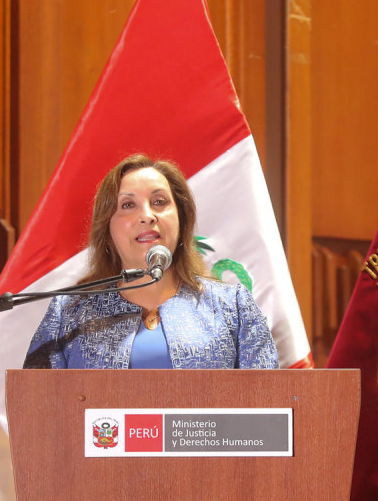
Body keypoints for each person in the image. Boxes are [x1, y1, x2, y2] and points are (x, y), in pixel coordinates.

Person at [23, 154, 279, 370]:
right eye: (127, 205)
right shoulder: (70, 311)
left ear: (182, 220)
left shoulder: (232, 307)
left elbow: (269, 408)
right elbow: (37, 411)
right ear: (108, 232)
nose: (146, 215)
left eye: (159, 202)